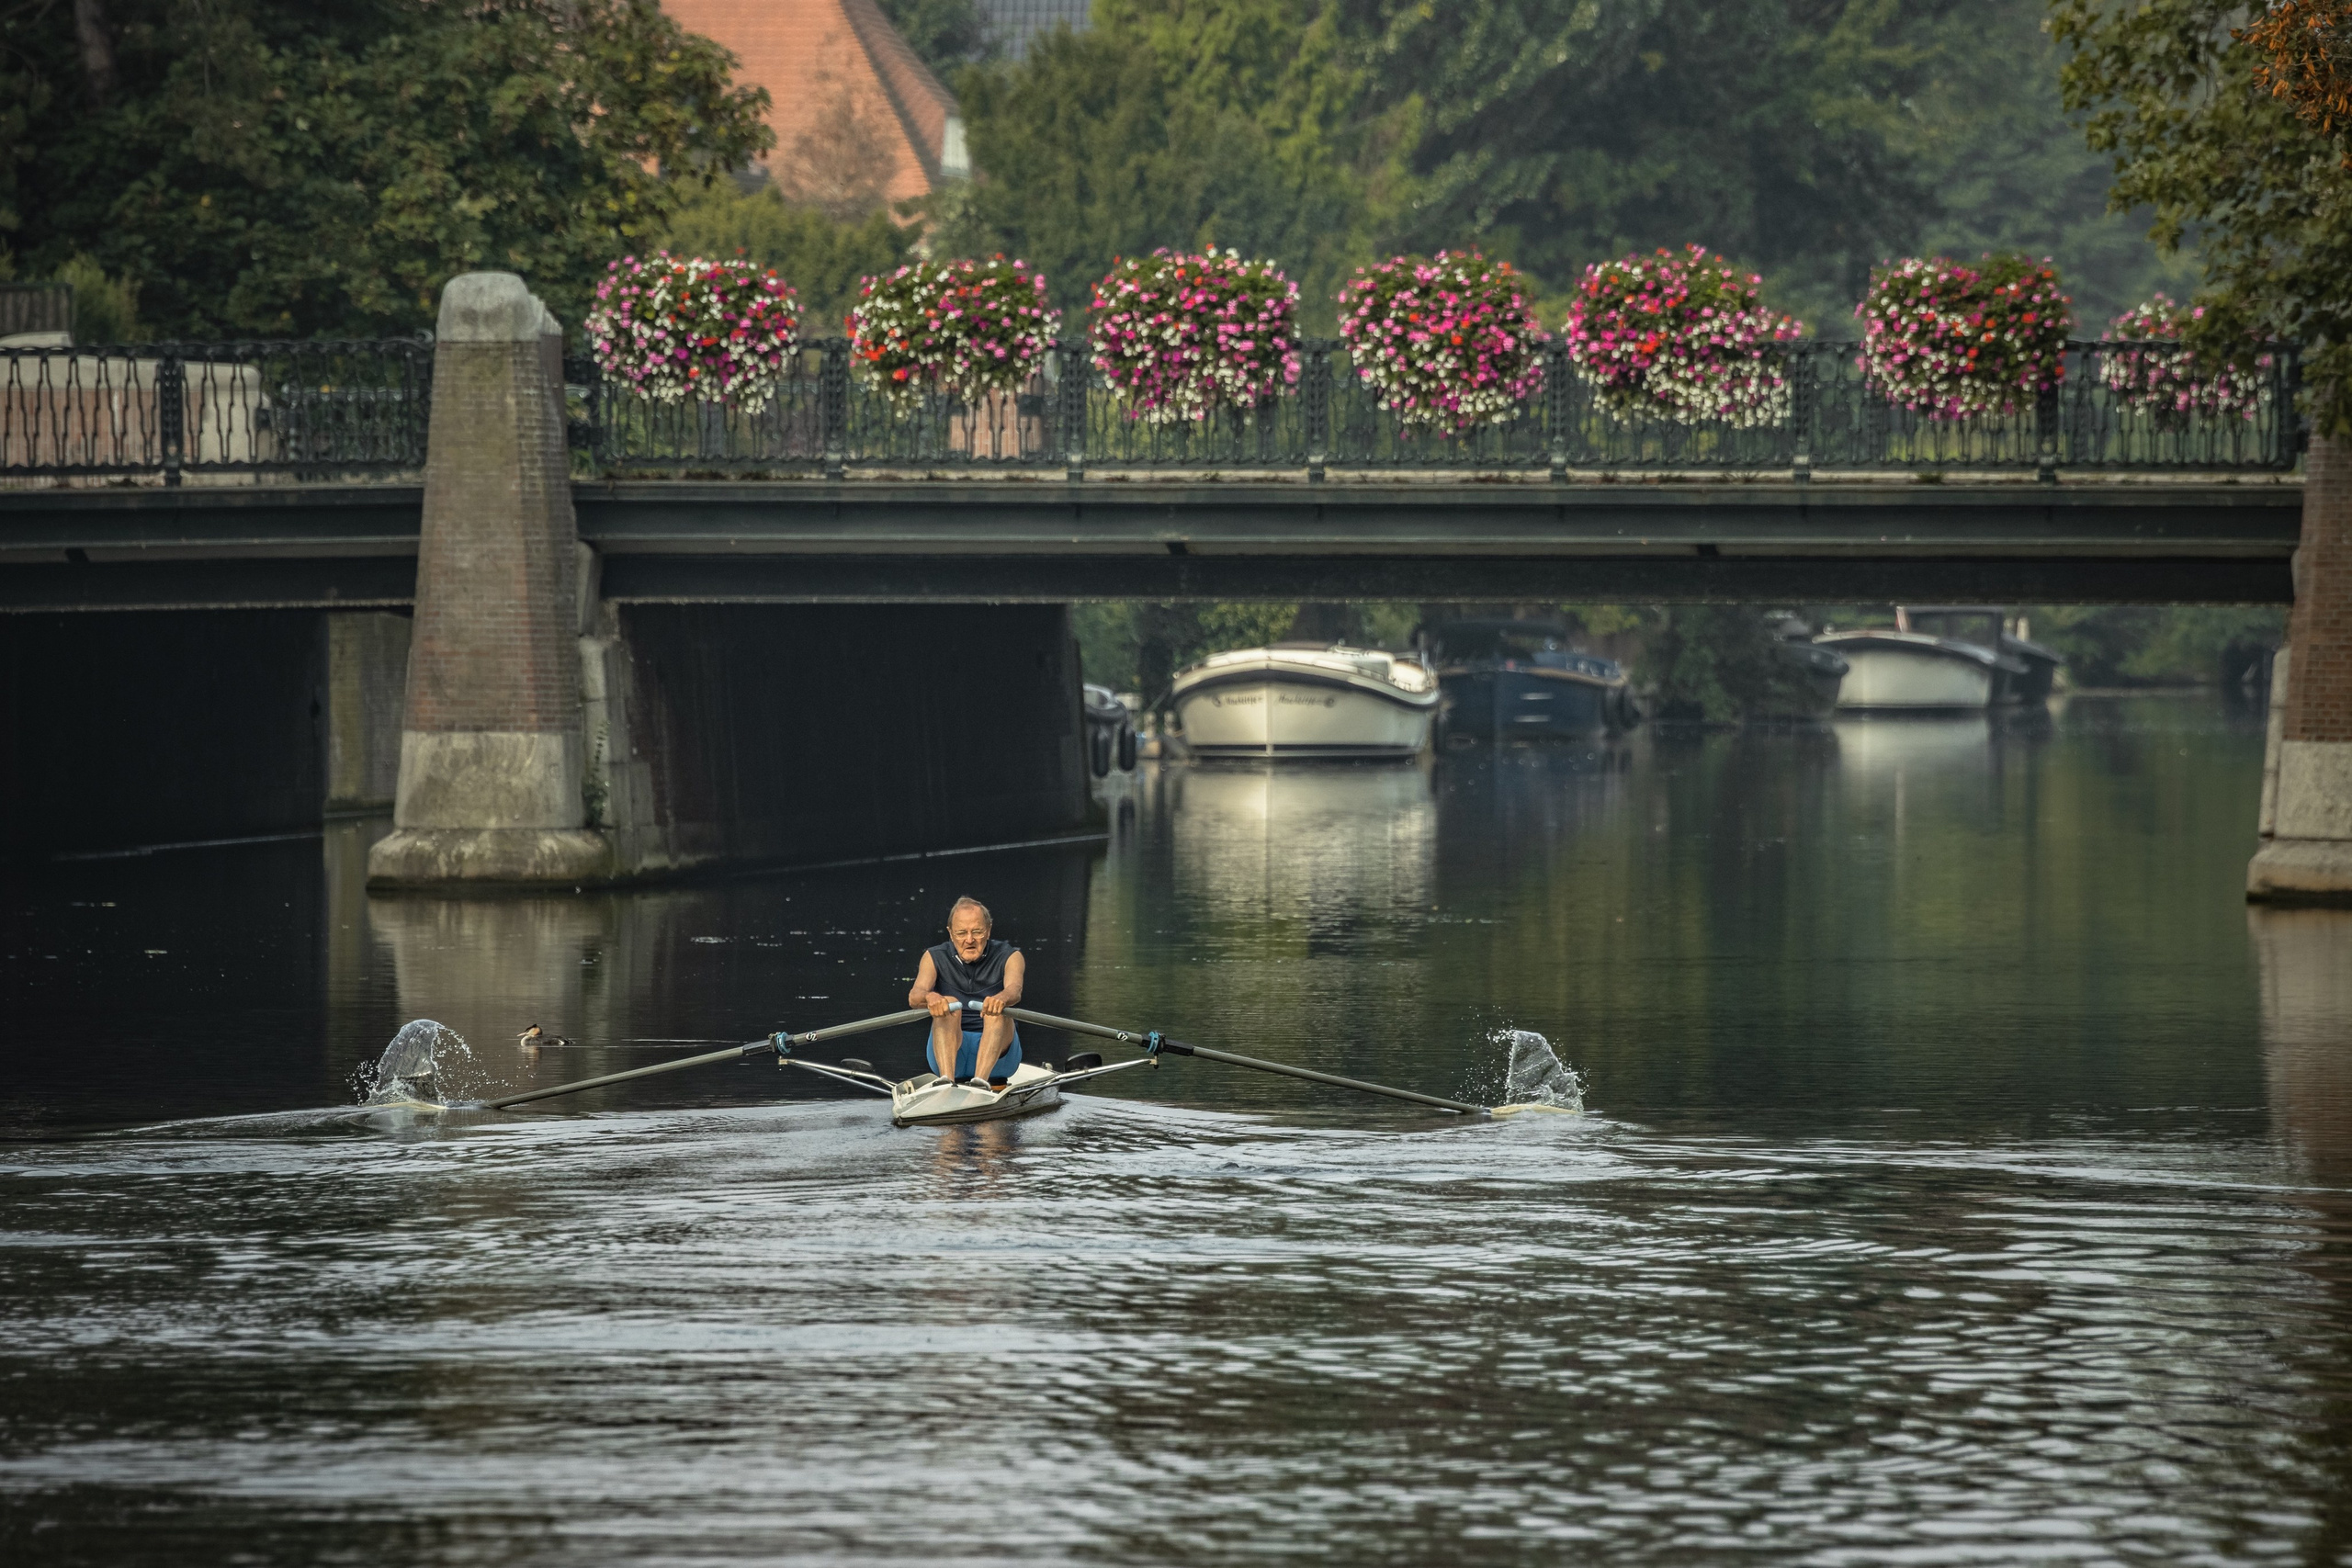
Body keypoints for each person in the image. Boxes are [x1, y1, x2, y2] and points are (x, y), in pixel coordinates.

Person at [908, 897, 1026, 1089]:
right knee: (950, 1003)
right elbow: (915, 996)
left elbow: (1015, 990)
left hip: (999, 1056)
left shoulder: (1011, 956)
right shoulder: (933, 956)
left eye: (977, 932)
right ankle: (947, 1081)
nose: (969, 940)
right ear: (951, 934)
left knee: (995, 1008)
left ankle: (980, 1083)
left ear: (988, 930)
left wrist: (1001, 998)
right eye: (961, 933)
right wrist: (931, 997)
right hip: (952, 1048)